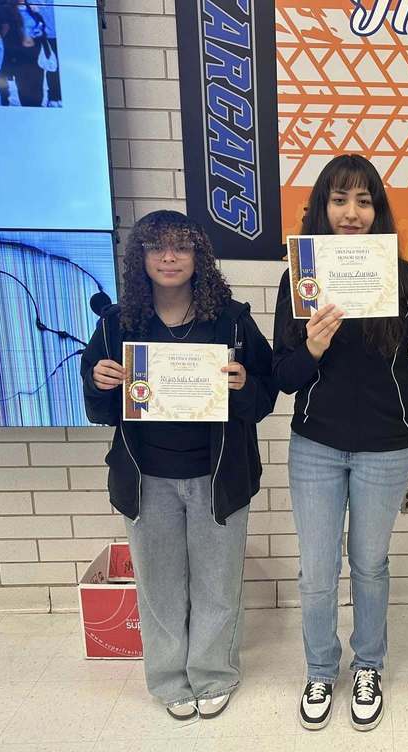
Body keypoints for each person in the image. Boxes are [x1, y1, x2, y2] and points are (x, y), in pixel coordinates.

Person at [80, 210, 278, 721]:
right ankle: (169, 679)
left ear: (199, 258)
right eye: (156, 247)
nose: (169, 257)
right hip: (147, 478)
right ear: (139, 258)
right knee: (161, 586)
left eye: (181, 247)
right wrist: (99, 383)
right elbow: (100, 412)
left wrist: (243, 385)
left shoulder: (231, 320)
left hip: (218, 476)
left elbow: (265, 396)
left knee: (217, 582)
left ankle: (214, 674)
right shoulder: (115, 324)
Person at [272, 154, 408, 731]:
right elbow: (284, 374)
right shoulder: (299, 276)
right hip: (315, 445)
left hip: (386, 446)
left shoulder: (405, 276)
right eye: (340, 200)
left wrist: (390, 370)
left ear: (378, 211)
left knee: (369, 563)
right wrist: (315, 349)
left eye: (364, 201)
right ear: (322, 207)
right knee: (317, 569)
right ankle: (321, 668)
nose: (352, 212)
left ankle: (367, 664)